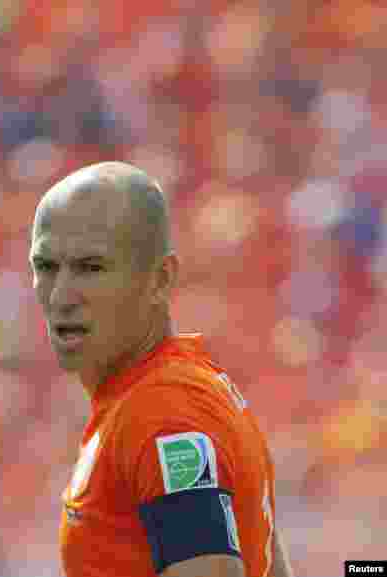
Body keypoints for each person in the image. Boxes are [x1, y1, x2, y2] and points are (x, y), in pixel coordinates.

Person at [29, 162, 294, 577]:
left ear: (160, 279)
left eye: (91, 267)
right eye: (46, 267)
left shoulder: (164, 413)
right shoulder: (169, 392)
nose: (61, 295)